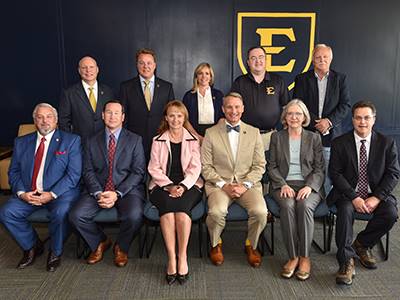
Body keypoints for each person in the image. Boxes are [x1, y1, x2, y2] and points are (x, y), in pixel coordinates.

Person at [0, 103, 82, 272]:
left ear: (56, 120)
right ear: (34, 121)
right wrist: (22, 193)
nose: (45, 121)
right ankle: (32, 246)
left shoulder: (71, 141)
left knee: (60, 213)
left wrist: (51, 194)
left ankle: (55, 251)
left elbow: (73, 175)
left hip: (60, 193)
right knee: (6, 212)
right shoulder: (21, 142)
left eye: (49, 117)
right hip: (29, 192)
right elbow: (13, 171)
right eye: (40, 117)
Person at [328, 101, 399, 285]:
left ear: (373, 120)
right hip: (347, 194)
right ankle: (346, 261)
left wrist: (377, 197)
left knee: (390, 213)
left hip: (375, 193)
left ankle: (362, 243)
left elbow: (393, 173)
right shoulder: (339, 143)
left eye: (367, 117)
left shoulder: (386, 143)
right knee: (345, 211)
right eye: (358, 118)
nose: (362, 122)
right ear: (352, 120)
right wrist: (354, 197)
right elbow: (335, 174)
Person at [69, 100, 146, 267]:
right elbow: (87, 171)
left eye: (116, 113)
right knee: (76, 215)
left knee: (134, 215)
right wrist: (98, 192)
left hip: (126, 190)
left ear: (123, 117)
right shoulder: (90, 140)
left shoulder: (135, 140)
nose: (112, 116)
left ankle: (121, 247)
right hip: (98, 189)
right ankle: (100, 242)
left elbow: (138, 172)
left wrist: (117, 193)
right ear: (103, 116)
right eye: (109, 112)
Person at [201, 92, 267, 268]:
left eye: (237, 107)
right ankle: (216, 244)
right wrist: (224, 185)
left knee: (261, 212)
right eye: (229, 107)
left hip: (248, 185)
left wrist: (245, 185)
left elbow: (260, 165)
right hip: (219, 185)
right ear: (223, 109)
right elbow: (206, 166)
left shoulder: (254, 133)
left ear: (243, 109)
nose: (233, 111)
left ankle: (251, 245)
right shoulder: (211, 133)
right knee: (216, 212)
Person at [268, 99, 325, 281]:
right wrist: (283, 184)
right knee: (287, 206)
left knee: (304, 206)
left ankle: (305, 257)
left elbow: (319, 169)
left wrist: (309, 186)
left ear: (304, 117)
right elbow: (272, 167)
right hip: (283, 184)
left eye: (298, 114)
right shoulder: (277, 137)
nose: (294, 117)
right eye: (290, 113)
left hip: (308, 185)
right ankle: (293, 257)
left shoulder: (314, 138)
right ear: (285, 117)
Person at [148, 100, 203, 285]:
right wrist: (170, 185)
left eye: (179, 115)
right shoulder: (157, 140)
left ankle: (183, 256)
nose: (175, 119)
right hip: (161, 185)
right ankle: (171, 259)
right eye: (171, 115)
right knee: (168, 212)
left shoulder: (193, 140)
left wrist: (183, 186)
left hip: (189, 185)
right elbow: (154, 169)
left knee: (181, 212)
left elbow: (196, 169)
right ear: (166, 117)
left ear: (184, 117)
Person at [293, 44, 351, 193]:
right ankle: (308, 201)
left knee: (327, 173)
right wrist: (316, 122)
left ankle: (325, 207)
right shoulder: (301, 79)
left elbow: (345, 105)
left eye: (325, 57)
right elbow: (298, 104)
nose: (322, 60)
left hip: (331, 135)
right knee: (306, 170)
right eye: (318, 57)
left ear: (331, 59)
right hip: (307, 133)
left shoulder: (340, 79)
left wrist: (328, 122)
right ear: (312, 60)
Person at [120, 48, 175, 160]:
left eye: (149, 63)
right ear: (137, 65)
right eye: (141, 63)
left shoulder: (167, 87)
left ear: (154, 65)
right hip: (134, 142)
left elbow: (171, 114)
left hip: (160, 139)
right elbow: (123, 117)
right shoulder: (126, 87)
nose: (146, 66)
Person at [231, 46, 289, 151]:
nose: (258, 61)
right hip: (245, 136)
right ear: (248, 62)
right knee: (246, 167)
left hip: (270, 136)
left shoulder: (277, 81)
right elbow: (232, 108)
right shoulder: (240, 82)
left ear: (266, 60)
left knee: (270, 167)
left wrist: (286, 130)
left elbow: (286, 107)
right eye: (253, 58)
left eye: (261, 57)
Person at [58, 56, 114, 140]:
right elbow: (63, 122)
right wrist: (71, 142)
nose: (88, 70)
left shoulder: (108, 91)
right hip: (80, 144)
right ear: (79, 71)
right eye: (84, 67)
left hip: (104, 143)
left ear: (97, 69)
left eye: (91, 67)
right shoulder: (69, 93)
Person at [182, 62, 224, 142]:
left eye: (207, 73)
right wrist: (197, 137)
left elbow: (222, 118)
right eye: (200, 73)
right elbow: (185, 119)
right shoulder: (188, 96)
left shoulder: (218, 95)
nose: (204, 76)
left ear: (211, 77)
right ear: (196, 77)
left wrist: (212, 136)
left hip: (215, 136)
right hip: (193, 136)